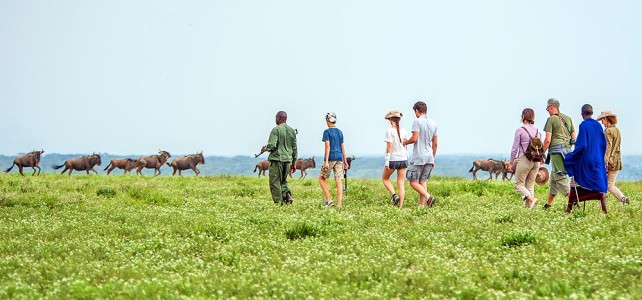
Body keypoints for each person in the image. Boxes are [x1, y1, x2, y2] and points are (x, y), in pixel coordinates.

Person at [564, 104, 608, 212]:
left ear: (582, 114)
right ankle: (605, 211)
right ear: (592, 113)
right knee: (598, 184)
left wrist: (572, 156)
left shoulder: (583, 125)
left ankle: (569, 208)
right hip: (597, 159)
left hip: (586, 159)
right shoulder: (598, 125)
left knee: (575, 179)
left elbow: (582, 145)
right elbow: (603, 144)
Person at [542, 98, 576, 210]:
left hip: (556, 152)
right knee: (553, 179)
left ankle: (574, 202)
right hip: (567, 152)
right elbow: (574, 137)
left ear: (551, 107)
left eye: (547, 108)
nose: (547, 111)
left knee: (560, 176)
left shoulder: (551, 119)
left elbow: (547, 139)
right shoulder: (568, 118)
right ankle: (548, 205)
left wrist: (541, 152)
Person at [403, 101, 438, 208]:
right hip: (429, 157)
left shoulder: (416, 122)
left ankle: (428, 197)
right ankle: (421, 207)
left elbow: (414, 138)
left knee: (413, 182)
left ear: (417, 111)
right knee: (423, 182)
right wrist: (433, 158)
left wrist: (405, 142)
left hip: (418, 157)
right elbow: (435, 143)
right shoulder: (434, 124)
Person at [508, 108, 541, 209]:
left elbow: (515, 148)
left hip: (525, 159)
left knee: (518, 185)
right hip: (536, 161)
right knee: (529, 185)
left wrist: (511, 162)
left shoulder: (520, 130)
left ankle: (532, 199)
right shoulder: (538, 131)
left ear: (523, 117)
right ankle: (529, 210)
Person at [261, 111, 297, 205]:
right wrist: (294, 163)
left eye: (276, 118)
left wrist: (265, 148)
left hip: (277, 160)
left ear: (279, 118)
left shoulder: (275, 130)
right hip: (288, 160)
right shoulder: (292, 131)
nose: (275, 120)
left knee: (275, 182)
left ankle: (278, 204)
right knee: (283, 181)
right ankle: (287, 196)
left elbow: (272, 145)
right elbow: (294, 148)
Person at [597, 110, 629, 204]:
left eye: (602, 119)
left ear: (606, 119)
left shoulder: (608, 131)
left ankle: (622, 199)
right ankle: (621, 199)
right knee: (608, 184)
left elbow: (608, 147)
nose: (602, 122)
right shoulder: (617, 130)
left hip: (609, 162)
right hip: (617, 161)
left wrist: (605, 162)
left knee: (607, 185)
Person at [319, 112, 349, 208]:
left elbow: (327, 147)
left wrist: (326, 162)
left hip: (331, 157)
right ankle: (339, 205)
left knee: (321, 178)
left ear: (327, 120)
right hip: (340, 157)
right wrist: (345, 161)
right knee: (339, 180)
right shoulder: (340, 132)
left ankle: (329, 200)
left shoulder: (327, 132)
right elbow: (343, 147)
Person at [382, 110, 409, 208]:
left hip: (393, 159)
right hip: (404, 159)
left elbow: (389, 146)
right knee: (401, 184)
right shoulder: (404, 130)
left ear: (390, 119)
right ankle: (400, 206)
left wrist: (386, 161)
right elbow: (406, 146)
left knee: (385, 179)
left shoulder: (389, 131)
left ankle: (394, 195)